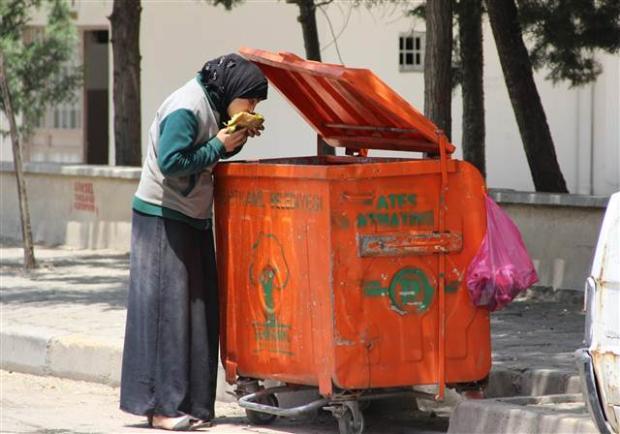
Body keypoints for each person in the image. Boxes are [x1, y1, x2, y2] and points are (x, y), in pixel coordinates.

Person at [120, 53, 268, 431]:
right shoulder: (187, 107)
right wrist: (220, 144)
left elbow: (208, 154)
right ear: (232, 91)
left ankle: (195, 405)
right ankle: (162, 408)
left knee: (199, 314)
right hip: (161, 217)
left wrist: (232, 142)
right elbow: (172, 161)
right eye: (249, 100)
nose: (251, 108)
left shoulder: (216, 107)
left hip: (192, 217)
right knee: (166, 316)